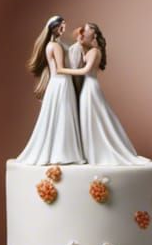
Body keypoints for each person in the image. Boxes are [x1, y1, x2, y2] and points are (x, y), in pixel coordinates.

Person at [57, 23, 146, 165]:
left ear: (93, 34)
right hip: (89, 86)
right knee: (90, 118)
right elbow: (76, 58)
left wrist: (62, 71)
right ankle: (89, 152)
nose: (81, 33)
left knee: (93, 118)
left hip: (90, 87)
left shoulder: (94, 52)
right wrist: (78, 44)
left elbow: (84, 70)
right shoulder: (91, 50)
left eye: (84, 31)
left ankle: (95, 153)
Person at [16, 15, 85, 164]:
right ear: (55, 28)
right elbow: (60, 69)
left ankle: (59, 152)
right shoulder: (56, 46)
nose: (64, 29)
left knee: (58, 116)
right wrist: (81, 71)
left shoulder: (51, 45)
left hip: (56, 84)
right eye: (62, 26)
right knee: (63, 116)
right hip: (62, 83)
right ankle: (64, 154)